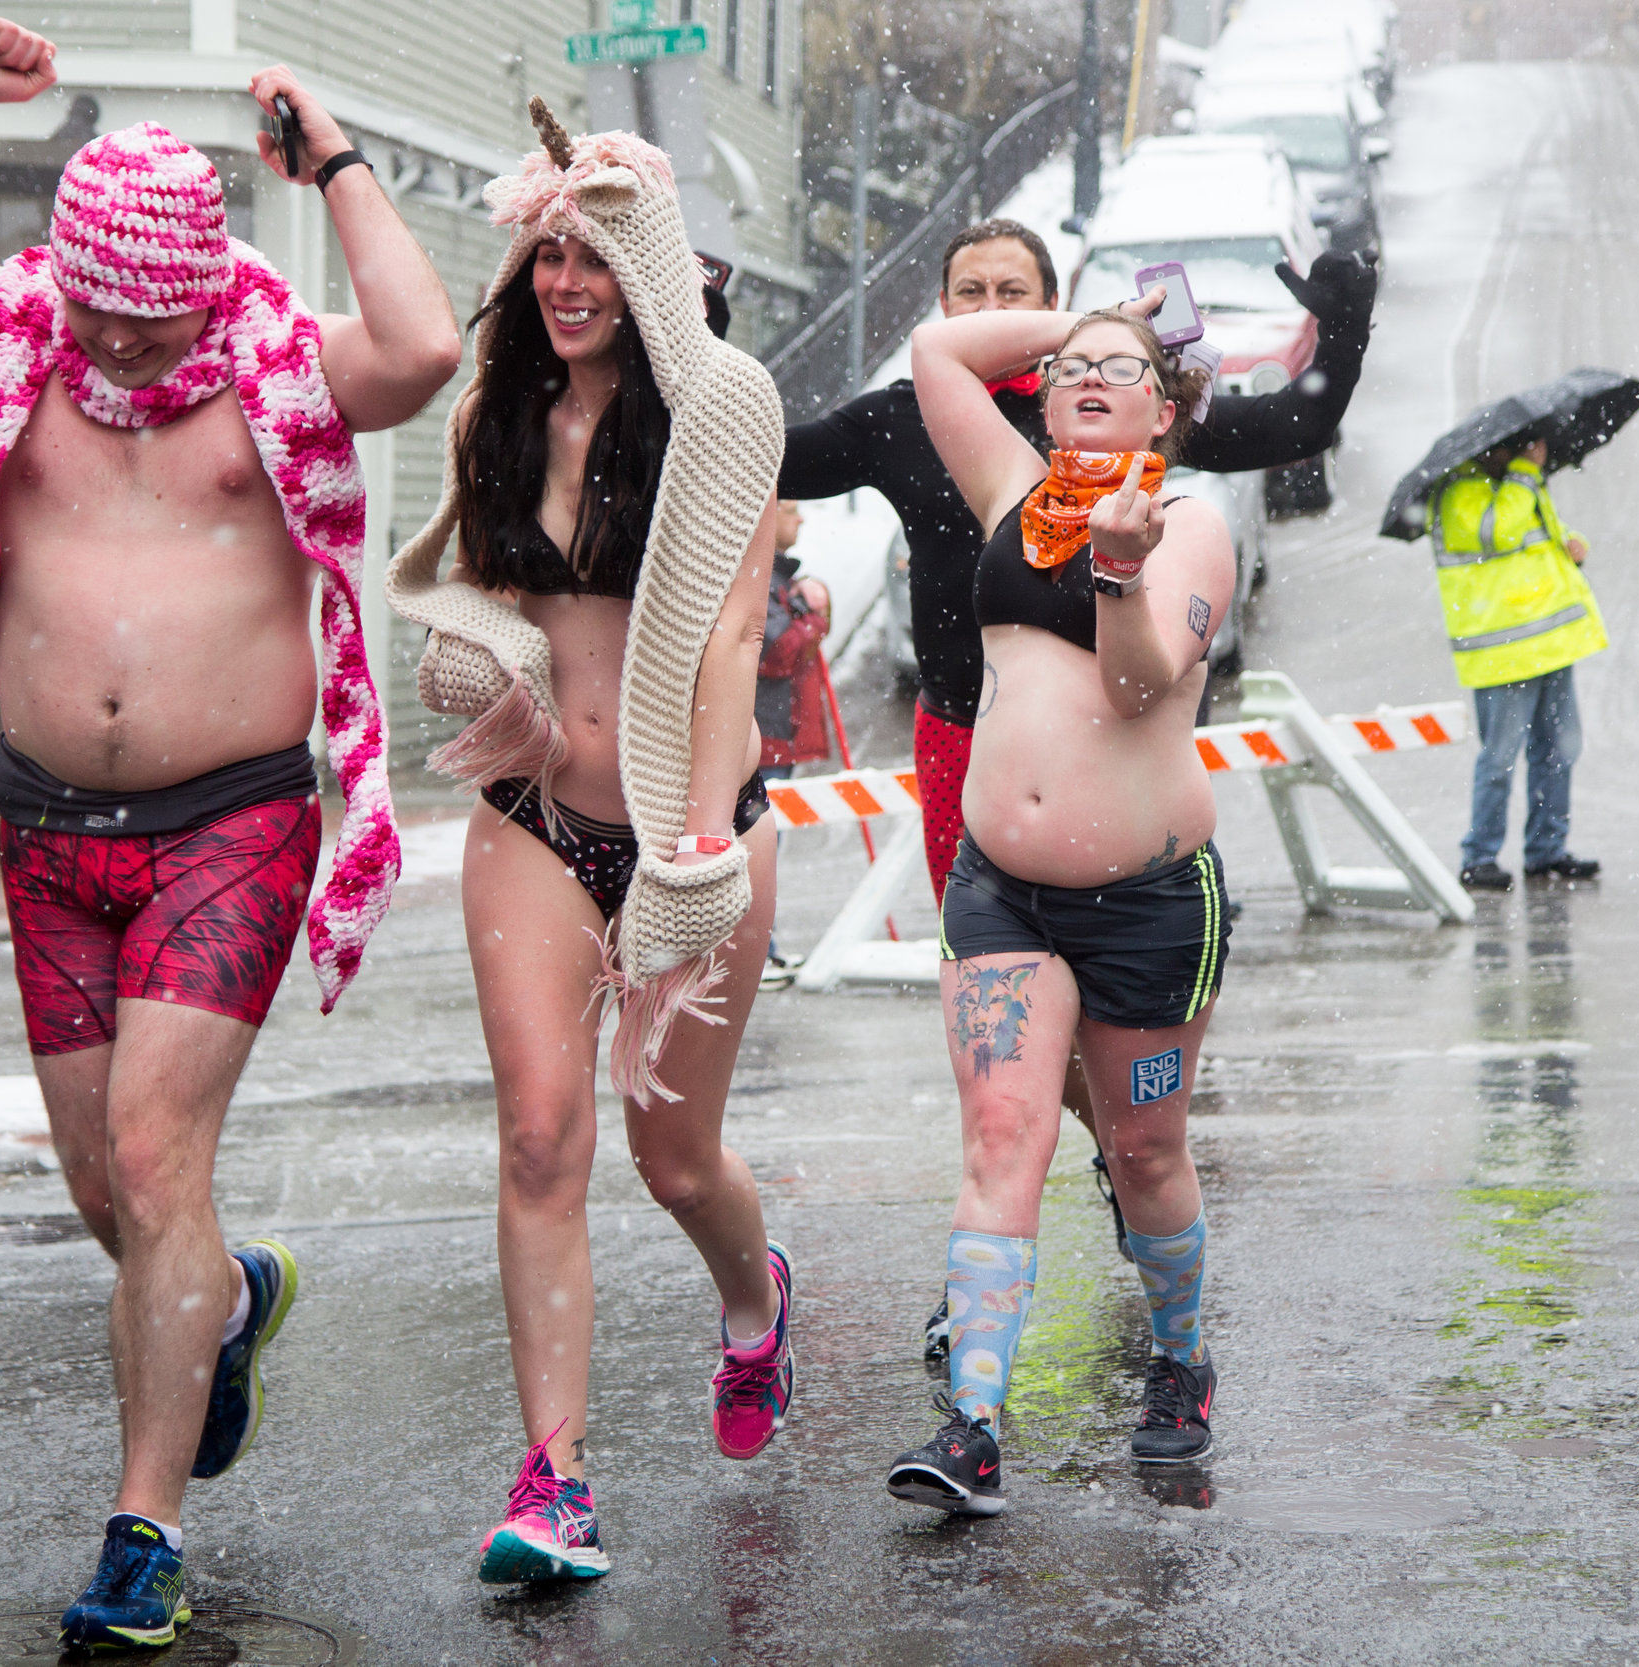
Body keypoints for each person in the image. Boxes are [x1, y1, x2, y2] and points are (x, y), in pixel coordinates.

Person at [0, 15, 460, 1649]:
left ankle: (141, 1536)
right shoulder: (15, 335)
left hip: (231, 821)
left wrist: (339, 159)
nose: (127, 357)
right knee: (110, 1188)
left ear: (206, 288)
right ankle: (219, 1304)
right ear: (60, 281)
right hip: (45, 827)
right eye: (103, 321)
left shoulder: (281, 366)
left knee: (155, 1161)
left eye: (154, 326)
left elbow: (421, 351)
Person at [778, 220, 1375, 1350]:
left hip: (1113, 776)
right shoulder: (925, 415)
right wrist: (673, 351)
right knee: (1007, 1080)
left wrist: (1338, 339)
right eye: (972, 289)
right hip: (971, 746)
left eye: (1014, 287)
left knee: (1098, 1056)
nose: (988, 302)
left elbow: (1297, 423)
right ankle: (1012, 1260)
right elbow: (774, 453)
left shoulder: (1134, 430)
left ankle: (1130, 1170)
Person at [386, 102, 792, 1586]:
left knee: (675, 1162)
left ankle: (754, 1308)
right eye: (549, 252)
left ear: (655, 264)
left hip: (694, 821)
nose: (567, 282)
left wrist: (699, 837)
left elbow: (732, 634)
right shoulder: (496, 413)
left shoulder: (724, 416)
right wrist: (477, 658)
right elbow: (491, 591)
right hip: (536, 817)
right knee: (543, 1136)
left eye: (600, 254)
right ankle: (553, 1476)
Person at [884, 291, 1237, 1517]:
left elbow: (1141, 683)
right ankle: (973, 1422)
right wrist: (1087, 313)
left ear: (1162, 404)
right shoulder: (1011, 491)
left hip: (1146, 902)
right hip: (1002, 895)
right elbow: (935, 350)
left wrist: (1121, 571)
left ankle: (1182, 1358)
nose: (1091, 377)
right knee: (1002, 1139)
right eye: (1073, 367)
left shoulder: (1190, 524)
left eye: (1121, 368)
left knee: (1142, 1151)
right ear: (1041, 388)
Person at [1429, 431, 1607, 893]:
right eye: (1515, 447)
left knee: (1559, 751)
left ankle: (1547, 851)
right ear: (1485, 449)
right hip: (1503, 655)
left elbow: (1538, 540)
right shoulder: (1461, 492)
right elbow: (1500, 530)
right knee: (1501, 759)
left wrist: (1573, 545)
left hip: (1549, 645)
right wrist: (1526, 473)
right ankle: (1479, 857)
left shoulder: (1516, 486)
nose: (1527, 453)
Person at [753, 502, 831, 989]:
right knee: (757, 846)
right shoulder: (760, 577)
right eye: (790, 510)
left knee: (764, 844)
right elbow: (775, 653)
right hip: (765, 734)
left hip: (775, 734)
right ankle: (756, 953)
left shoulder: (775, 577)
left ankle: (764, 949)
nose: (800, 519)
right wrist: (814, 618)